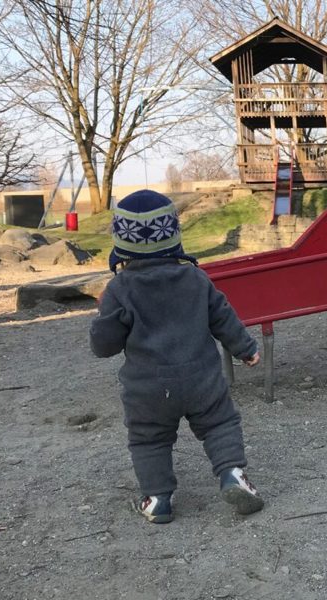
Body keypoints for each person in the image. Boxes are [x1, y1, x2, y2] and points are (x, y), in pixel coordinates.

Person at [89, 189, 263, 524]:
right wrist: (246, 349)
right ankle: (232, 474)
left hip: (148, 387)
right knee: (219, 423)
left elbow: (104, 347)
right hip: (201, 378)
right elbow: (223, 317)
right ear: (173, 236)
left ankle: (157, 498)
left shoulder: (120, 289)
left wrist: (105, 316)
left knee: (149, 438)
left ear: (122, 243)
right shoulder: (195, 278)